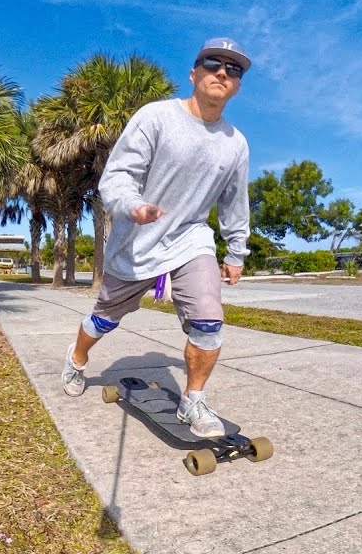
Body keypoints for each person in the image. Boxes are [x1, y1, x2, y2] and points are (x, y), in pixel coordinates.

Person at [61, 37, 251, 438]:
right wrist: (133, 206)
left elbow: (235, 201)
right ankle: (77, 359)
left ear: (237, 85)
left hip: (191, 239)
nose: (222, 73)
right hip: (136, 242)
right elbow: (117, 177)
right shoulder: (156, 117)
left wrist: (236, 251)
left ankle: (193, 400)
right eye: (213, 63)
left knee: (208, 321)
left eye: (233, 69)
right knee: (103, 319)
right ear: (194, 73)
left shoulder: (236, 143)